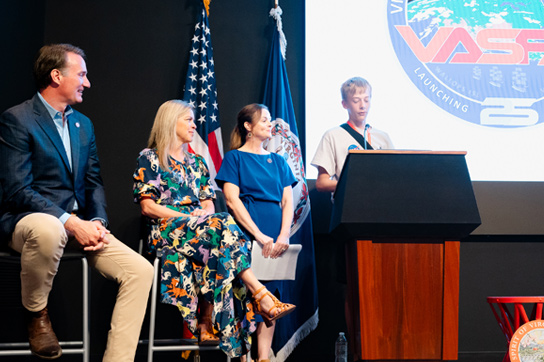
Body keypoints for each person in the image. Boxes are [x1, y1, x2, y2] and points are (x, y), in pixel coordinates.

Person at [0, 43, 154, 361]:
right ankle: (36, 315)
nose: (87, 82)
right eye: (81, 74)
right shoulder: (18, 120)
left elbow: (93, 183)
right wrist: (69, 221)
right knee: (49, 229)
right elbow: (17, 190)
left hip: (77, 225)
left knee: (140, 271)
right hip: (28, 222)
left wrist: (96, 222)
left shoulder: (83, 125)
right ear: (56, 76)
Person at [132, 99, 296, 358]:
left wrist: (202, 214)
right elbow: (148, 207)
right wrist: (188, 217)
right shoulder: (150, 158)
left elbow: (209, 205)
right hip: (167, 231)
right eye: (188, 119)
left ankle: (219, 326)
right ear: (170, 121)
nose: (193, 124)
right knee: (224, 227)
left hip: (203, 232)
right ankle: (258, 295)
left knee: (220, 224)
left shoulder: (196, 162)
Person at [215, 104, 298, 362]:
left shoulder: (279, 161)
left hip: (277, 237)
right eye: (264, 120)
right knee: (245, 296)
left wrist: (284, 235)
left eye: (270, 120)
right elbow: (232, 200)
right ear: (248, 126)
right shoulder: (235, 158)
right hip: (246, 234)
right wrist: (259, 235)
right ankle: (244, 358)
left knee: (272, 298)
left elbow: (288, 201)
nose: (269, 124)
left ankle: (264, 357)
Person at [311, 76, 394, 193]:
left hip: (381, 204)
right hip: (348, 205)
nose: (362, 106)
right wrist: (354, 183)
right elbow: (322, 183)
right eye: (356, 100)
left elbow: (393, 176)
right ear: (344, 104)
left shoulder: (383, 137)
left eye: (366, 100)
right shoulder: (333, 135)